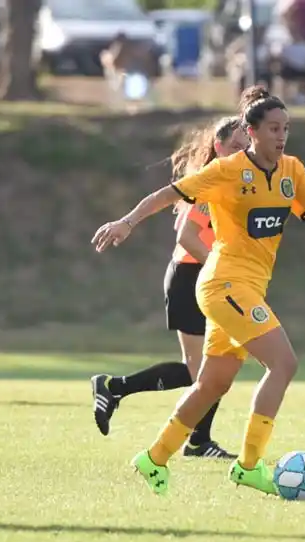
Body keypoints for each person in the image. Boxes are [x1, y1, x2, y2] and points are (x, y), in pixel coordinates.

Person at [91, 86, 305, 496]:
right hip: (223, 284)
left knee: (211, 384)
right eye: (274, 128)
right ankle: (249, 466)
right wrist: (127, 222)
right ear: (251, 131)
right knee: (284, 364)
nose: (281, 136)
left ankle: (154, 458)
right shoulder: (227, 171)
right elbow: (169, 194)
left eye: (286, 128)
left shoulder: (292, 171)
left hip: (249, 287)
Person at [91, 117, 249, 460]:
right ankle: (115, 387)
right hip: (192, 276)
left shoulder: (233, 181)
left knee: (214, 366)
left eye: (246, 148)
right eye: (235, 147)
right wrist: (220, 268)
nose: (242, 153)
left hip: (204, 275)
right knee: (202, 370)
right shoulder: (212, 183)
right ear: (219, 148)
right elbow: (187, 237)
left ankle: (197, 440)